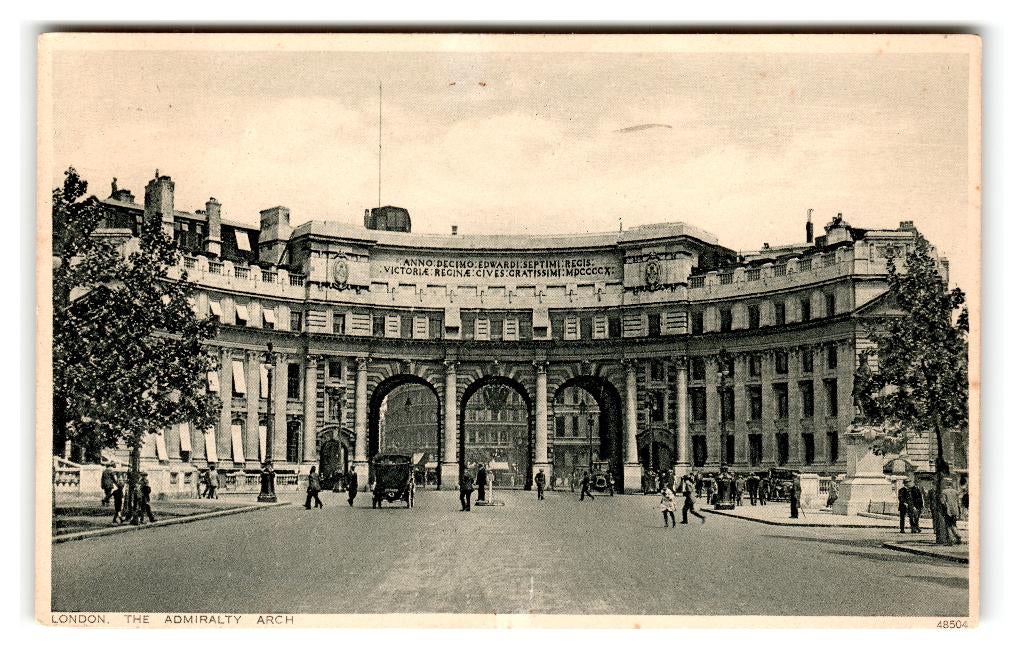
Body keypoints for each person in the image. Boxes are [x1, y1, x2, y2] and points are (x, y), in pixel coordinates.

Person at [941, 480, 963, 545]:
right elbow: (959, 502)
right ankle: (957, 535)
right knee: (953, 524)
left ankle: (950, 540)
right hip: (955, 511)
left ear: (946, 484)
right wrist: (959, 511)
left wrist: (943, 510)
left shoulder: (944, 492)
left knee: (948, 525)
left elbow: (943, 502)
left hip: (948, 511)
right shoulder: (956, 492)